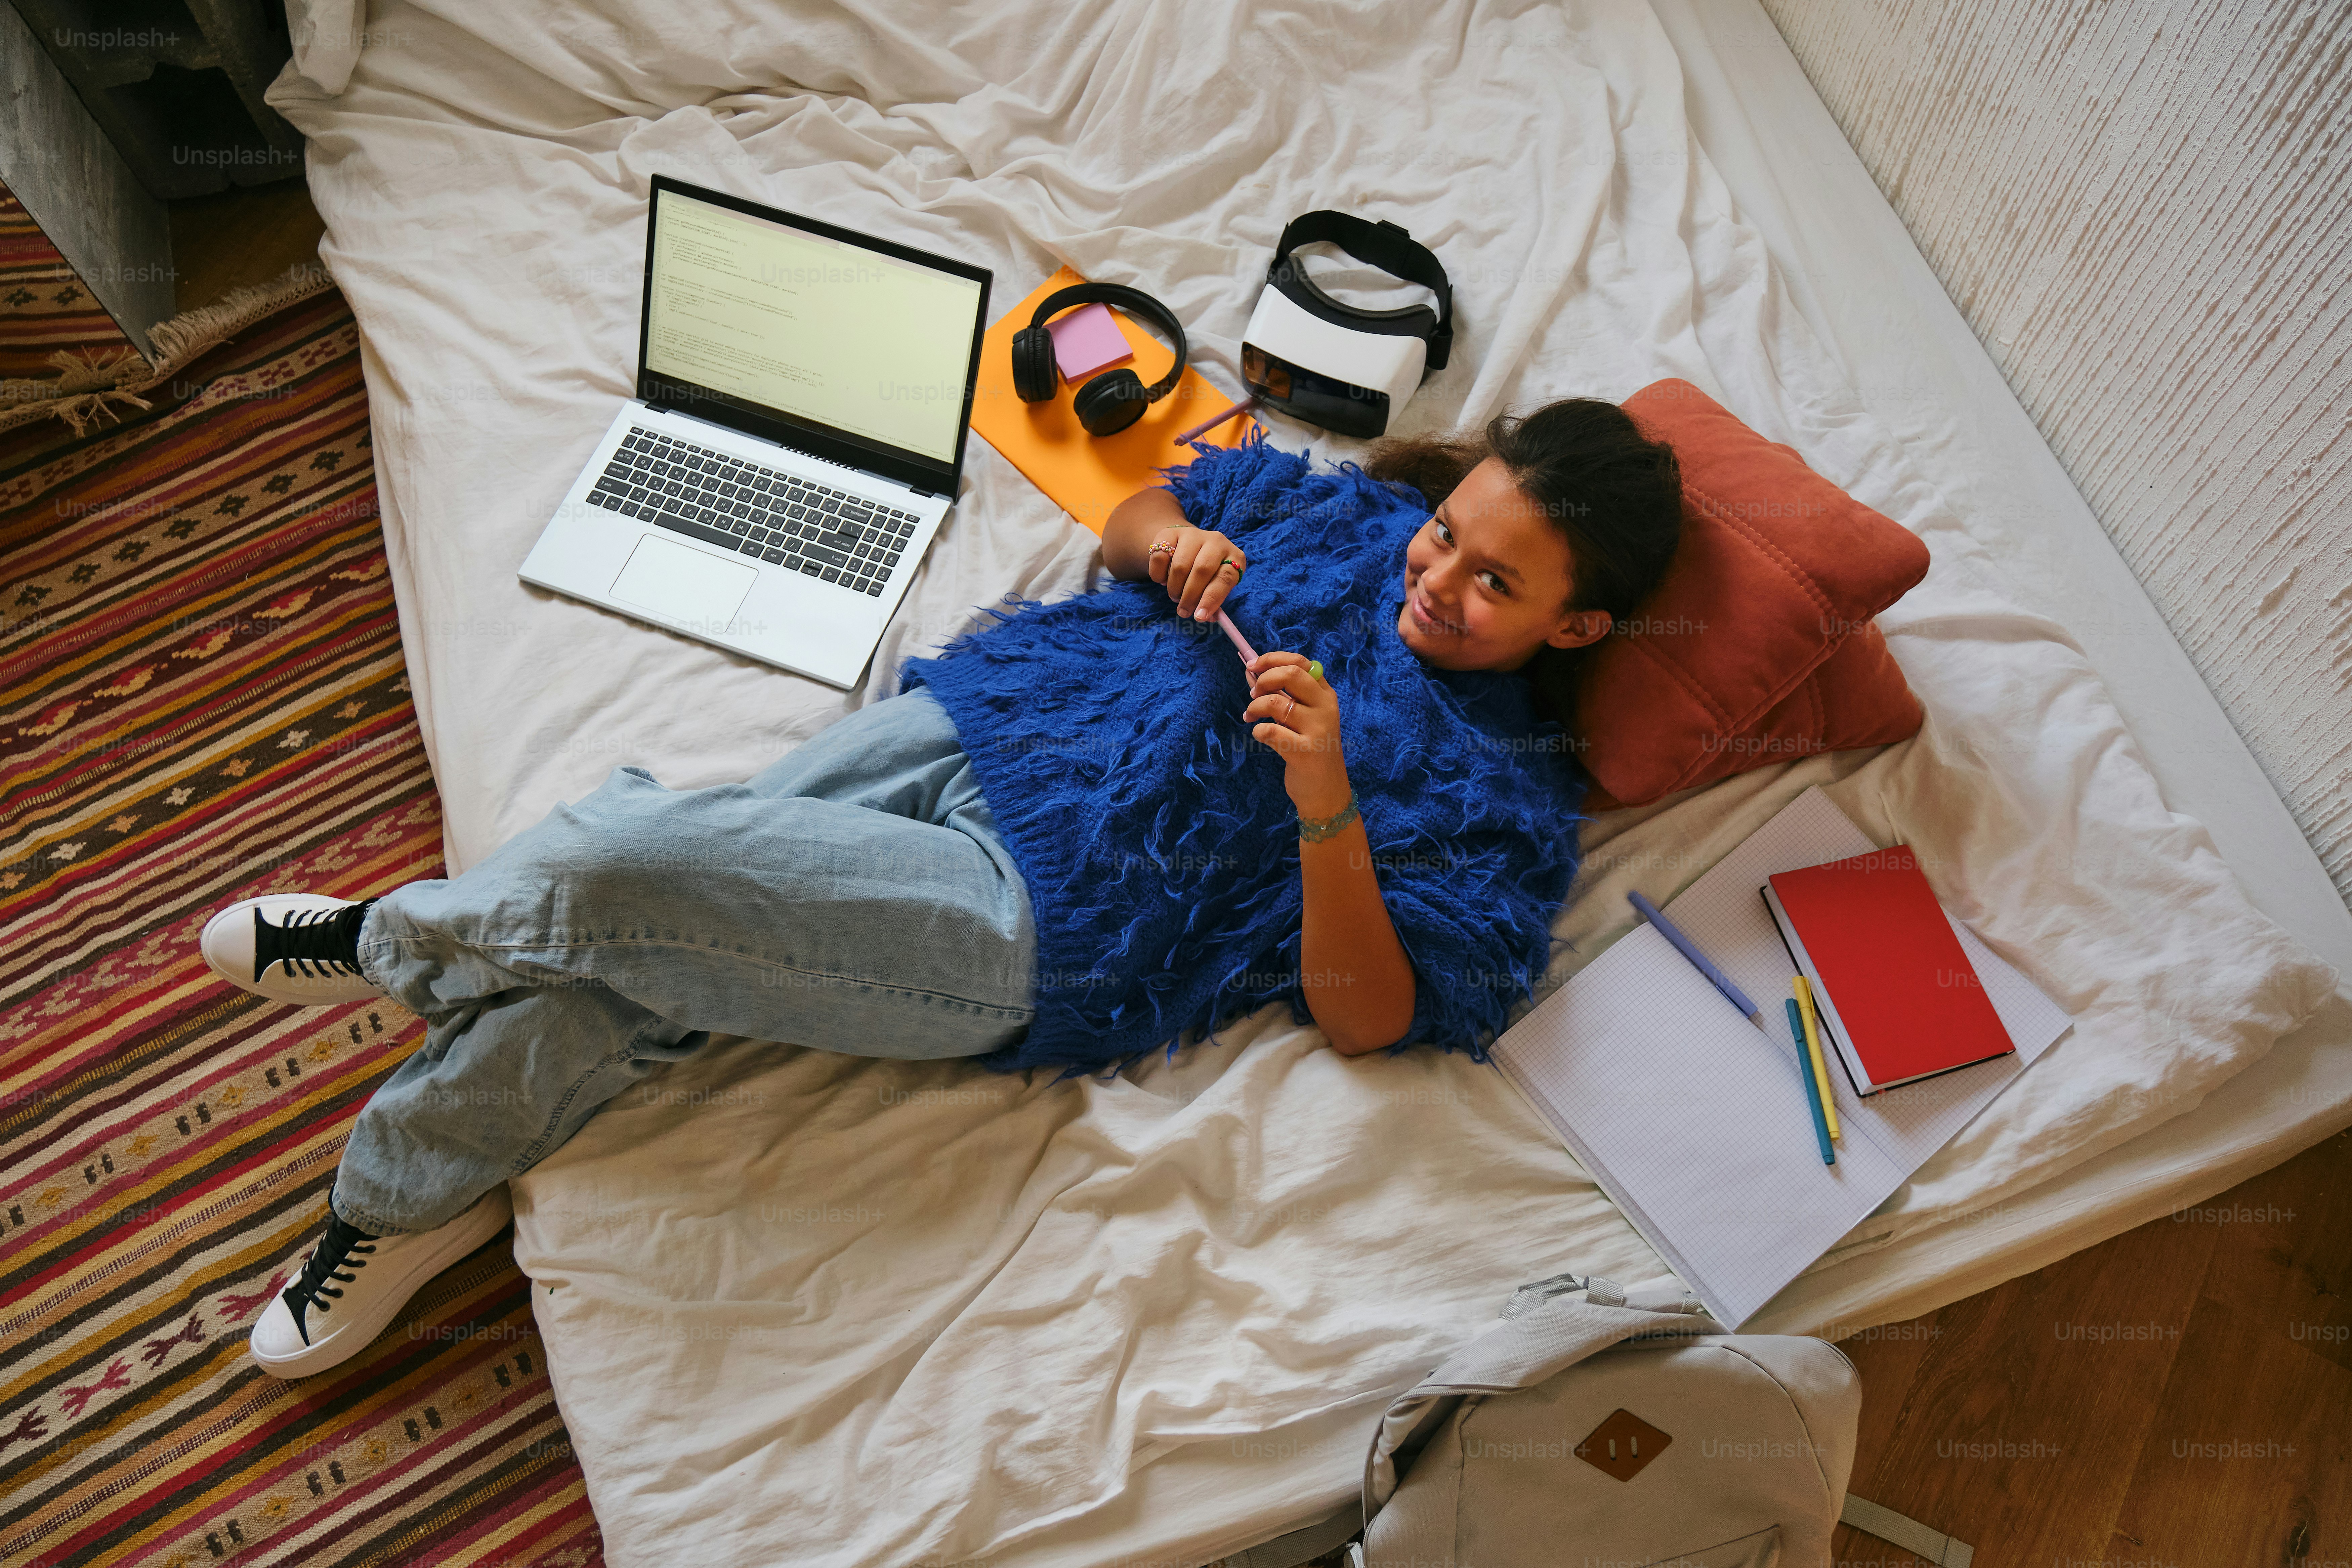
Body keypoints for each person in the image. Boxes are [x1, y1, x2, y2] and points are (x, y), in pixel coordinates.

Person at [200, 397, 1682, 1376]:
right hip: (978, 718)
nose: (1440, 577)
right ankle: (407, 1195)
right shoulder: (1346, 518)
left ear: (1579, 625)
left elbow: (1375, 1018)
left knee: (622, 863)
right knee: (647, 947)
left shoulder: (1504, 798)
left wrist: (1328, 812)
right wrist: (1172, 546)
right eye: (1450, 535)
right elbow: (1134, 512)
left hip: (1043, 926)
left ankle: (403, 942)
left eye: (1499, 583)